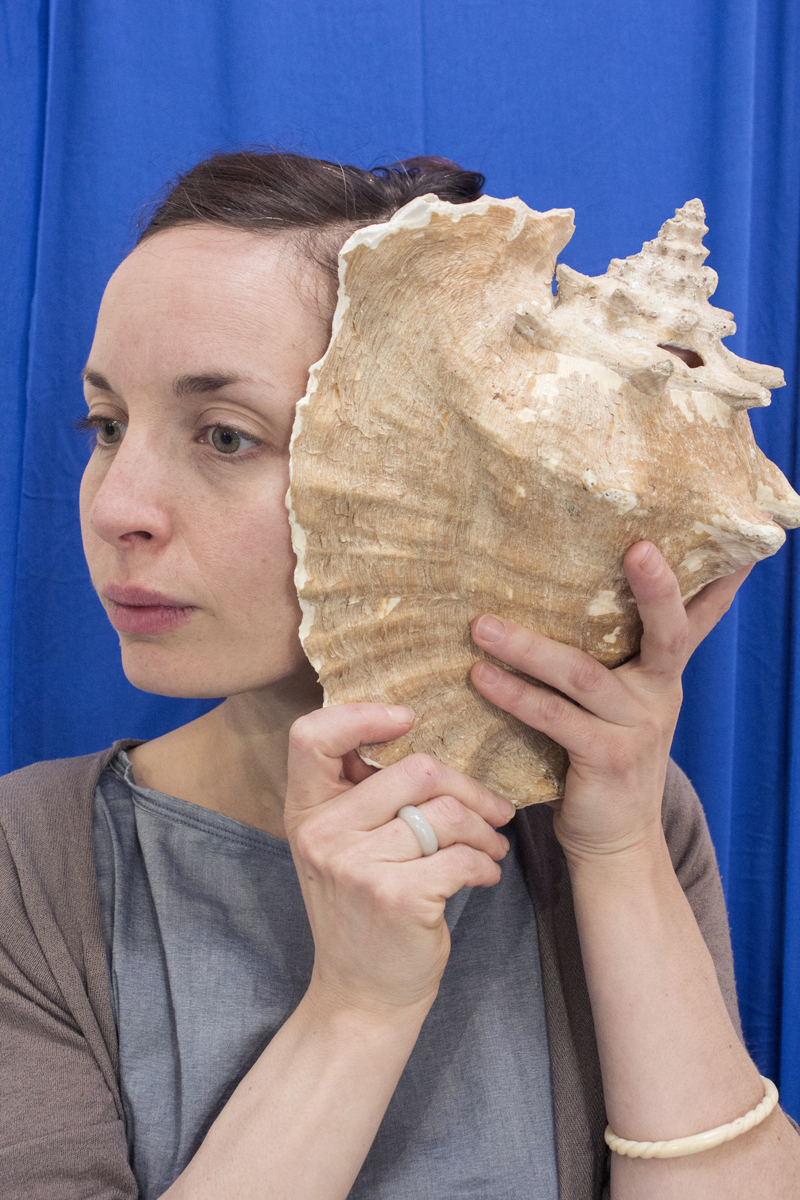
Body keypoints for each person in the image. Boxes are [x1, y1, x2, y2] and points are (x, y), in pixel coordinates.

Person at [1, 150, 798, 1200]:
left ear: (427, 453)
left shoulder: (607, 824)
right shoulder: (32, 863)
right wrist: (355, 1009)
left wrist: (615, 851)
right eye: (107, 427)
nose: (115, 508)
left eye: (226, 436)